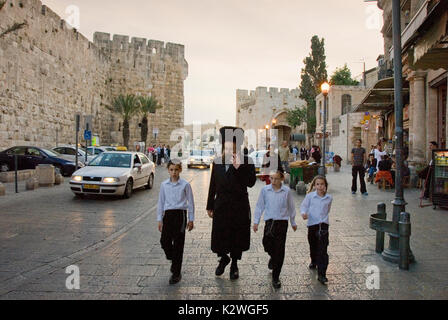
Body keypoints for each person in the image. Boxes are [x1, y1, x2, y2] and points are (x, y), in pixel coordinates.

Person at [206, 126, 256, 280]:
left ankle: (234, 264)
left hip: (238, 205)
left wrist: (239, 168)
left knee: (236, 237)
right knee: (219, 236)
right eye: (226, 145)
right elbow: (213, 183)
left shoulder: (247, 161)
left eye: (232, 145)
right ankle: (223, 257)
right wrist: (209, 204)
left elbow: (251, 182)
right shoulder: (217, 161)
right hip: (221, 205)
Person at [253, 170, 297, 289]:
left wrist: (293, 222)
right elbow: (259, 206)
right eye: (271, 178)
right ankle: (273, 257)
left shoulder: (286, 191)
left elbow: (291, 207)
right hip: (269, 222)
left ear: (281, 179)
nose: (273, 181)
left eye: (276, 178)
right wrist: (256, 221)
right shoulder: (265, 190)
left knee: (279, 249)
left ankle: (276, 276)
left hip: (281, 223)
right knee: (266, 244)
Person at [157, 160, 195, 285]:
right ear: (168, 170)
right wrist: (159, 219)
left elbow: (191, 202)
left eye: (176, 170)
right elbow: (161, 202)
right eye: (171, 170)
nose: (174, 172)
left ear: (180, 170)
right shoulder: (164, 185)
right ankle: (173, 258)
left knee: (179, 244)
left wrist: (191, 219)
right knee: (164, 241)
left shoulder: (185, 185)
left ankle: (176, 272)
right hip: (168, 215)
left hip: (180, 215)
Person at [300, 175, 332, 285]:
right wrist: (304, 213)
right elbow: (303, 206)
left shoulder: (329, 198)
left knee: (323, 250)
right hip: (312, 224)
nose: (320, 186)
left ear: (325, 186)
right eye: (317, 184)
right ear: (314, 185)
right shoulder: (310, 196)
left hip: (323, 225)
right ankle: (314, 260)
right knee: (313, 245)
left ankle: (322, 274)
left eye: (322, 184)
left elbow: (327, 210)